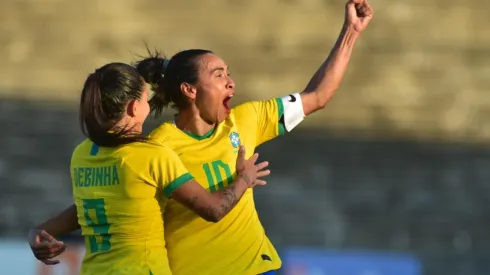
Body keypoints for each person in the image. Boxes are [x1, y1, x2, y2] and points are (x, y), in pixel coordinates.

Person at [29, 1, 373, 274]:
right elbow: (116, 200)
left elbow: (318, 95)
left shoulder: (248, 119)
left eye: (229, 74)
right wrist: (243, 180)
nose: (231, 82)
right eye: (219, 74)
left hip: (256, 267)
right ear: (189, 90)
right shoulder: (157, 147)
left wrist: (350, 32)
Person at [29, 62, 270, 275]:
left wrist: (40, 230)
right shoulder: (151, 155)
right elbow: (214, 210)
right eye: (146, 99)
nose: (151, 104)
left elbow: (91, 208)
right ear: (134, 107)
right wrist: (244, 179)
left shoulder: (82, 154)